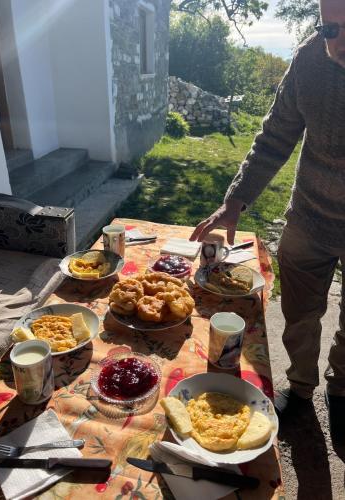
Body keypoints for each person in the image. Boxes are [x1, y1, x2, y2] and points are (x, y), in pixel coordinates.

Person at [190, 0, 345, 442]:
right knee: (299, 315)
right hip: (309, 218)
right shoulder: (310, 58)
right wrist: (235, 201)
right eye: (331, 28)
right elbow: (276, 134)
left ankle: (342, 389)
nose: (337, 42)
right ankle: (300, 389)